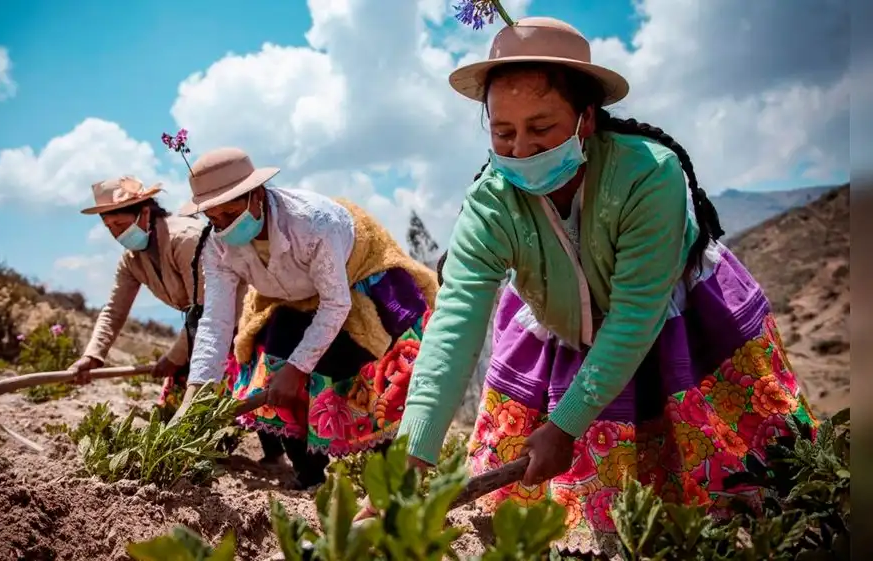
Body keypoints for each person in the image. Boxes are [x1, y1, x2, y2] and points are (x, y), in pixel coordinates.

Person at [358, 16, 818, 557]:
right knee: (583, 513)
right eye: (503, 132)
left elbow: (634, 316)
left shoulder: (648, 174)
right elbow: (453, 329)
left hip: (679, 326)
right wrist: (409, 462)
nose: (521, 149)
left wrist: (565, 424)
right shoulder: (489, 205)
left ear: (586, 121)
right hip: (565, 331)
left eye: (542, 128)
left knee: (742, 486)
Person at [173, 147, 439, 490]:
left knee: (364, 372)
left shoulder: (312, 222)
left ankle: (391, 479)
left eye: (231, 212)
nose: (224, 224)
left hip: (356, 281)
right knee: (273, 364)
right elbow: (217, 320)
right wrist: (194, 395)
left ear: (256, 196)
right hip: (287, 296)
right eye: (214, 217)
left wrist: (299, 369)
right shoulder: (217, 245)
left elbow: (334, 303)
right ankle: (309, 475)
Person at [68, 176, 285, 463]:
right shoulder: (132, 260)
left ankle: (276, 457)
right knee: (191, 389)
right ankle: (197, 449)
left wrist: (175, 355)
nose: (117, 235)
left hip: (240, 316)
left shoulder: (186, 239)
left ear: (144, 213)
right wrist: (93, 354)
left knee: (252, 383)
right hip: (200, 326)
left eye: (121, 225)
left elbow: (210, 309)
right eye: (109, 228)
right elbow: (114, 310)